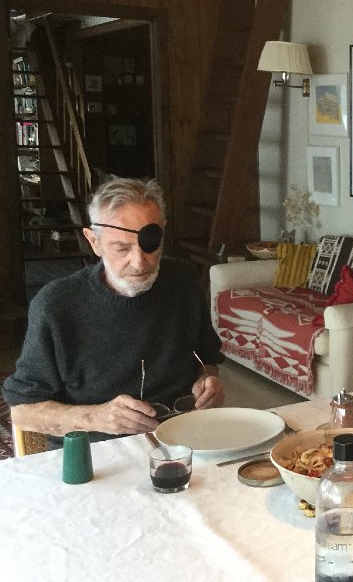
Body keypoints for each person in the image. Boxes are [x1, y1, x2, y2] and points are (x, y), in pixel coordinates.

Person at [3, 177, 225, 449]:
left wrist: (208, 380)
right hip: (96, 450)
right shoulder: (56, 305)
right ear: (93, 241)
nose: (139, 262)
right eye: (122, 248)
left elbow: (206, 359)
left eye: (150, 245)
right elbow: (23, 412)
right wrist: (97, 417)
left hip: (182, 439)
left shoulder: (183, 281)